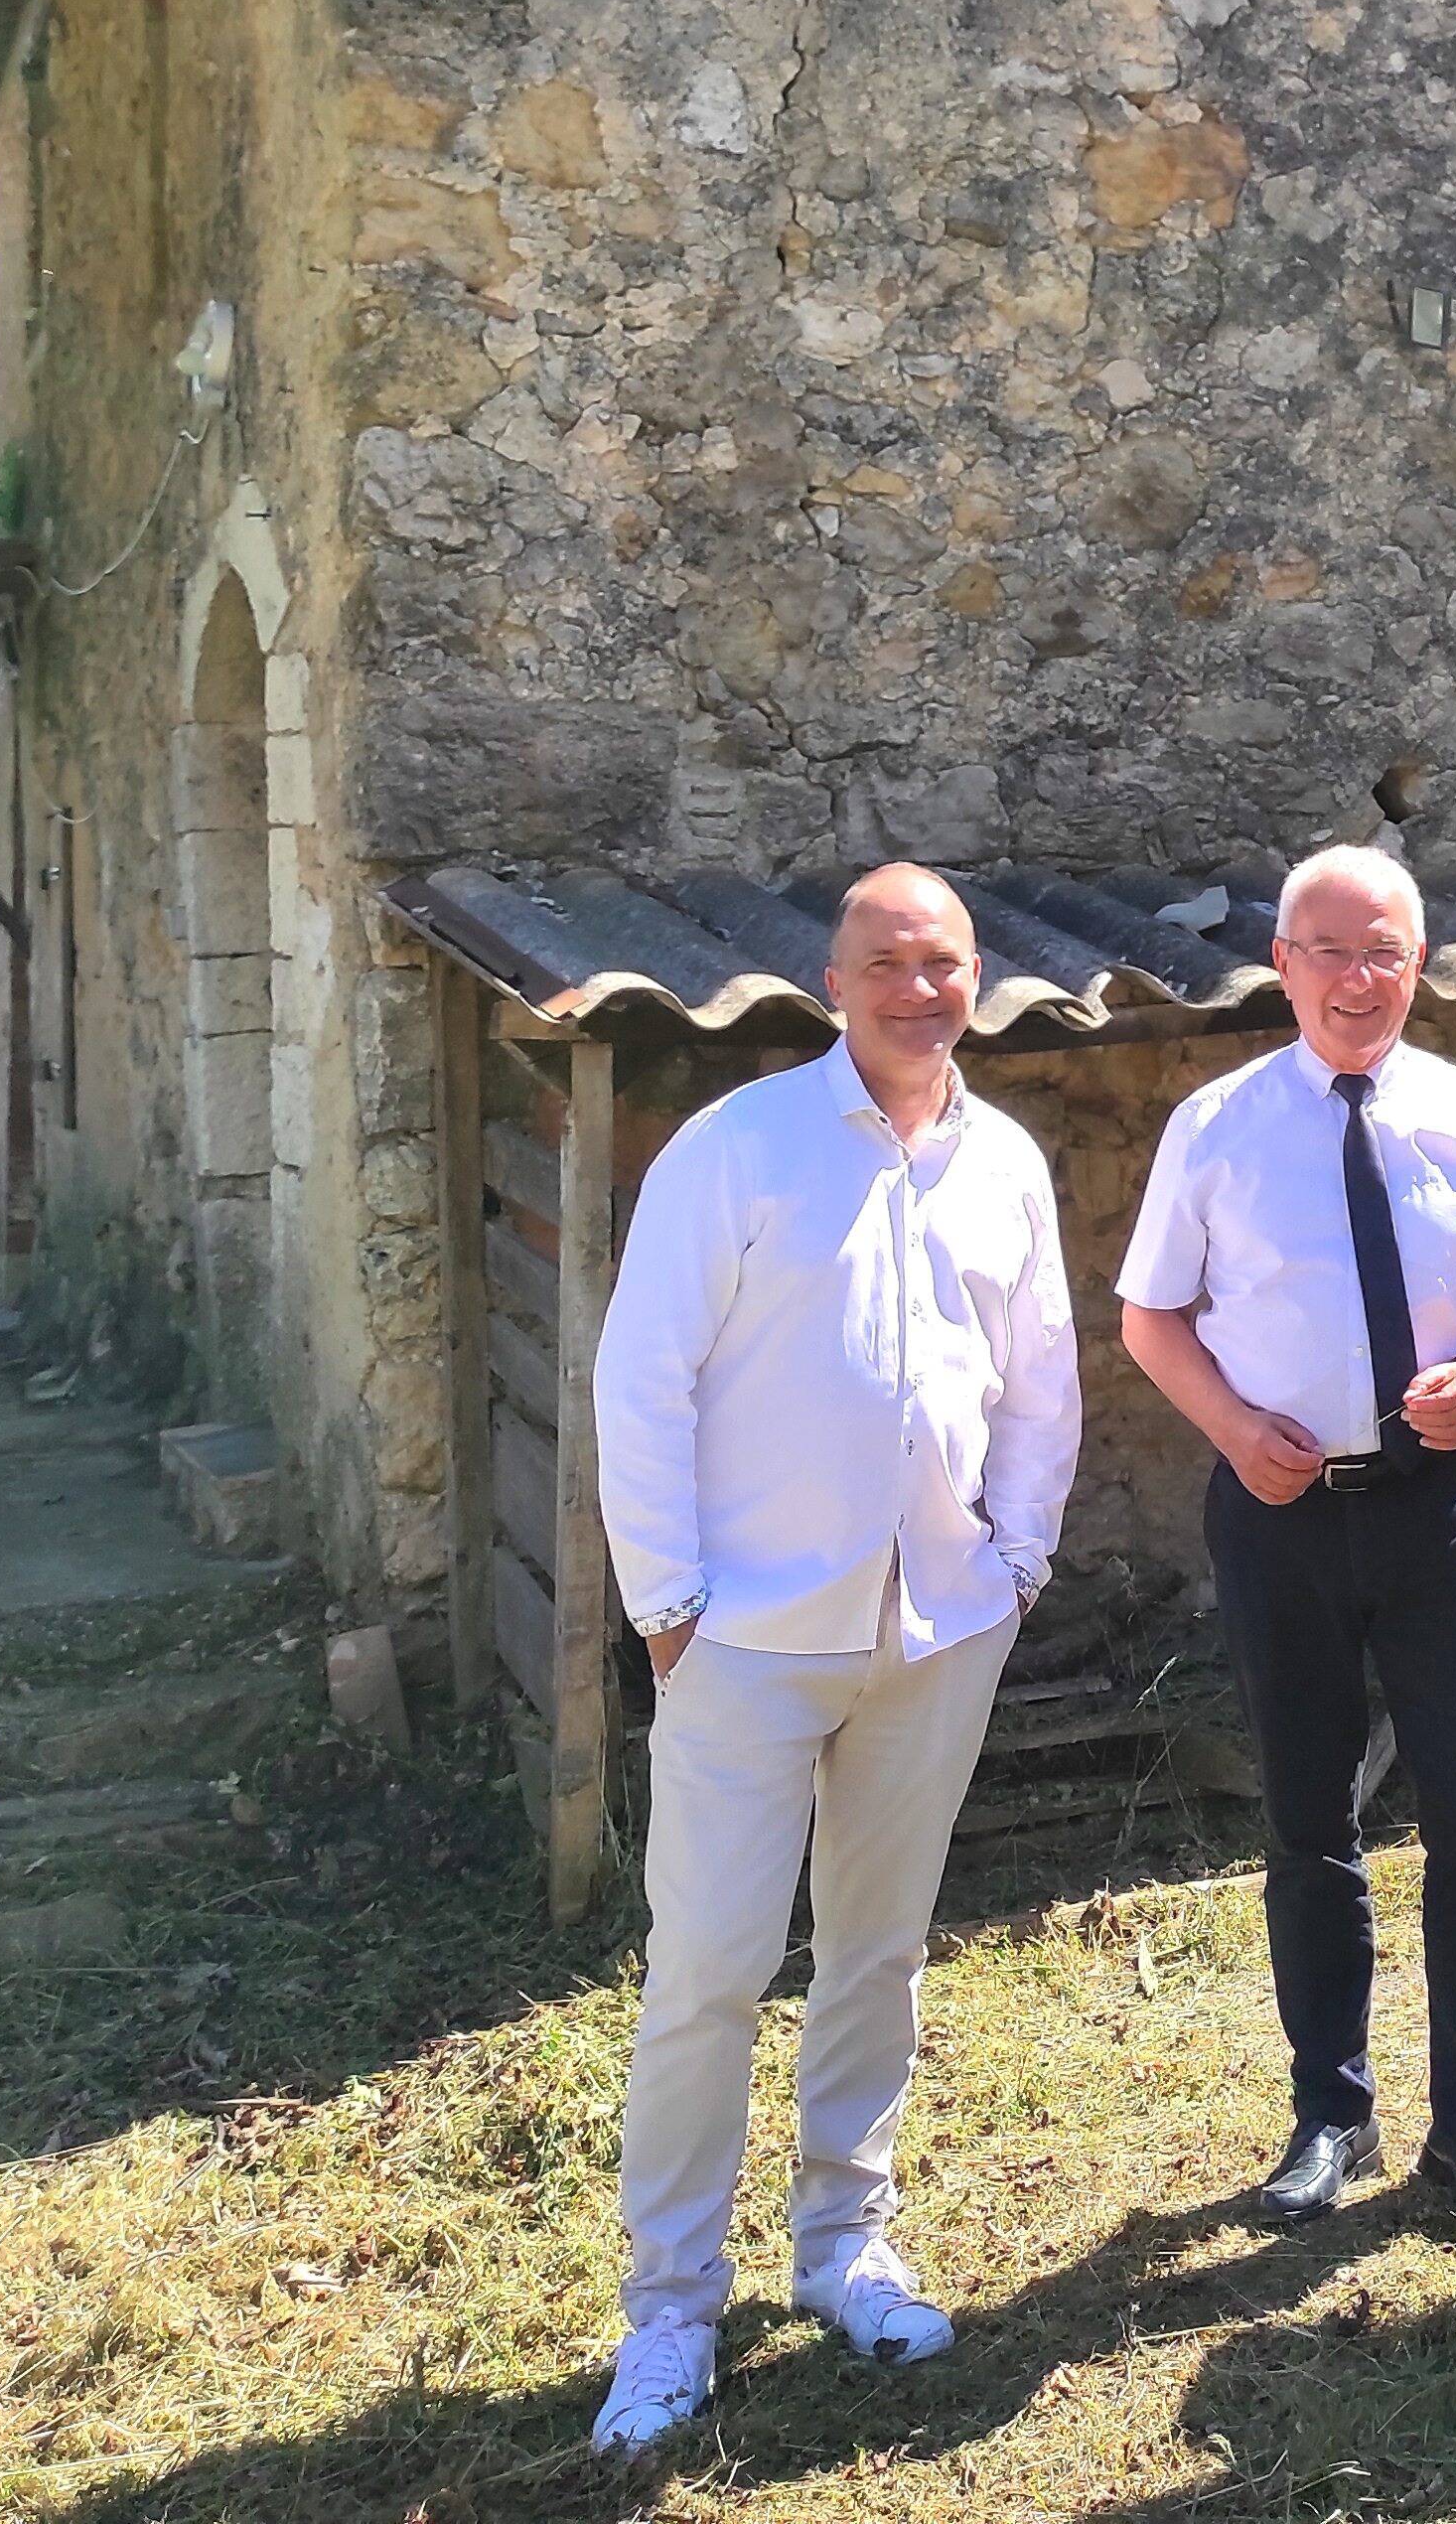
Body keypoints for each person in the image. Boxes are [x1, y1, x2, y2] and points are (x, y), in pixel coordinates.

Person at [585, 864, 1082, 2457]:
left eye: (941, 963)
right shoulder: (737, 1149)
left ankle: (842, 2249)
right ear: (834, 977)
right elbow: (641, 1377)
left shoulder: (1003, 1161)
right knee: (708, 1976)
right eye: (887, 961)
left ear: (975, 977)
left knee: (877, 1955)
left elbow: (1041, 1382)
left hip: (936, 1631)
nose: (916, 988)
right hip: (745, 1636)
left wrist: (1015, 1563)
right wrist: (668, 1603)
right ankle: (671, 2312)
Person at [1118, 843, 1456, 2248]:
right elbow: (1152, 1321)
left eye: (1382, 952)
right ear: (1283, 963)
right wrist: (1234, 1427)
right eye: (1327, 950)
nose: (1356, 979)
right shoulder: (1215, 1127)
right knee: (1310, 1827)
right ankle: (1331, 2114)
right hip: (1279, 1518)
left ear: (1416, 965)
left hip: (1440, 1515)